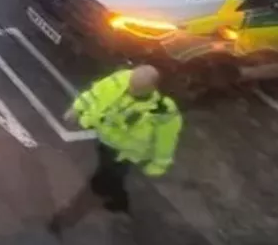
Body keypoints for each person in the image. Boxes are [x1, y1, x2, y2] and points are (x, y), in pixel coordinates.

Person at [46, 64, 183, 235]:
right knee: (113, 179)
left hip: (123, 155)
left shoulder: (163, 111)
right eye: (132, 84)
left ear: (153, 88)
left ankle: (65, 219)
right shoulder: (121, 79)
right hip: (105, 142)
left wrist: (159, 164)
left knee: (97, 186)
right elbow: (95, 93)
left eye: (137, 89)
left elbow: (166, 141)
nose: (131, 90)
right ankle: (119, 201)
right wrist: (77, 108)